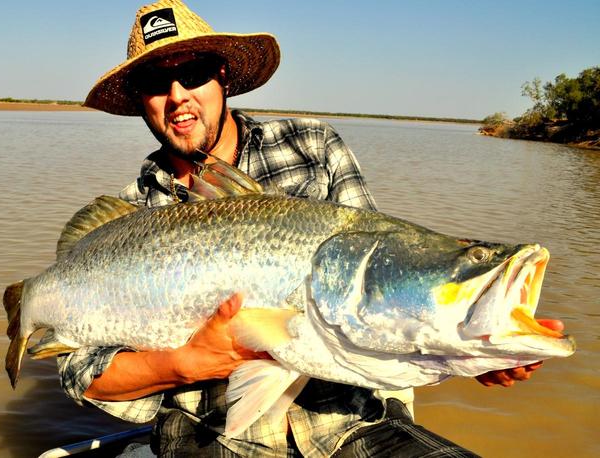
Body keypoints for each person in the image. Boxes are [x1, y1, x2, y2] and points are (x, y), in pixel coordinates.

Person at [58, 1, 564, 456]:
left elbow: (376, 307)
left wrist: (471, 350)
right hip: (207, 436)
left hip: (350, 427)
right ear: (139, 101)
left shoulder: (313, 148)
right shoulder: (130, 213)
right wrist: (187, 364)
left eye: (193, 72)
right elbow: (81, 374)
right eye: (154, 82)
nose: (177, 97)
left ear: (223, 79)